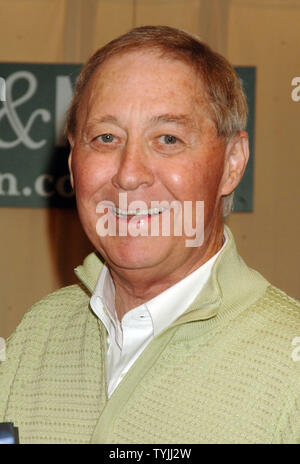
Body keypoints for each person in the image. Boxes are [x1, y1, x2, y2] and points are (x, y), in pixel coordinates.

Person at [0, 25, 299, 444]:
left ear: (232, 163)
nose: (129, 174)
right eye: (106, 138)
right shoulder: (36, 336)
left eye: (168, 139)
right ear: (72, 162)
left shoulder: (292, 369)